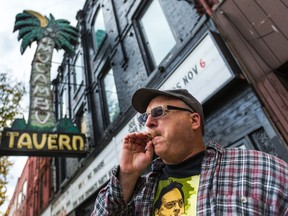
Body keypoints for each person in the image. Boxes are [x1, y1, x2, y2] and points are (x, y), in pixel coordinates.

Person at [91, 88, 288, 216]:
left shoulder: (258, 168)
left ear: (194, 120)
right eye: (145, 118)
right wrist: (127, 174)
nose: (149, 122)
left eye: (159, 112)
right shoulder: (139, 194)